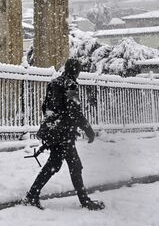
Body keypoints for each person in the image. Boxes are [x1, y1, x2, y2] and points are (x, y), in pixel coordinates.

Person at [24, 57, 105, 210]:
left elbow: (45, 107)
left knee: (57, 164)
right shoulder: (70, 84)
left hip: (54, 132)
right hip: (64, 134)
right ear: (76, 71)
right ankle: (84, 201)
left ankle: (32, 195)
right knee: (73, 166)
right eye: (79, 70)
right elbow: (73, 111)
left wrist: (52, 121)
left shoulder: (54, 83)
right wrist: (87, 128)